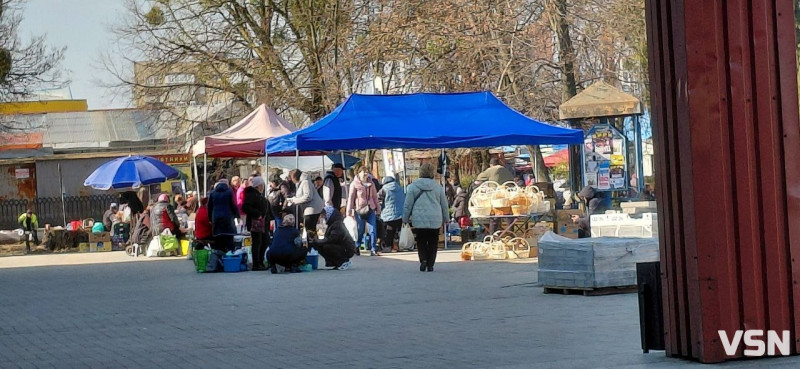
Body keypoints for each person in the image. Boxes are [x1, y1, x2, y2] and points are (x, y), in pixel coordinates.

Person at [403, 163, 449, 272]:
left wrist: (405, 218)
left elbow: (407, 205)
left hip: (419, 218)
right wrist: (446, 218)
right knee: (433, 241)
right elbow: (444, 205)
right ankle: (431, 264)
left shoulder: (412, 187)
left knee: (421, 241)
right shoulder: (438, 187)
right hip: (435, 219)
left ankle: (423, 260)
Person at [347, 166, 381, 256]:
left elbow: (375, 197)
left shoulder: (371, 183)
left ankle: (373, 249)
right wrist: (349, 210)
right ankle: (357, 246)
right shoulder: (354, 184)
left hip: (370, 208)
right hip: (359, 210)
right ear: (359, 173)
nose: (366, 174)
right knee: (360, 230)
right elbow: (351, 198)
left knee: (372, 229)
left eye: (367, 172)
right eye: (364, 172)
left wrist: (378, 208)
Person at [242, 176, 272, 271]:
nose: (263, 186)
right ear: (258, 185)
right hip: (255, 223)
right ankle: (256, 264)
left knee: (265, 241)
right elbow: (245, 207)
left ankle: (260, 261)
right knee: (257, 242)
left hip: (263, 223)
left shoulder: (260, 195)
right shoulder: (251, 195)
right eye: (261, 185)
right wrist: (257, 214)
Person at [286, 169, 325, 239]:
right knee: (311, 231)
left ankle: (312, 244)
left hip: (312, 210)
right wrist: (294, 199)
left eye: (291, 178)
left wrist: (295, 200)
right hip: (312, 209)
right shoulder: (303, 182)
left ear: (295, 177)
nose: (291, 180)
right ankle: (314, 242)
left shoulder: (305, 182)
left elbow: (308, 196)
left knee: (310, 231)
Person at [208, 179, 239, 251]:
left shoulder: (212, 193)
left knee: (218, 240)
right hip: (228, 218)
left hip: (216, 218)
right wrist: (237, 215)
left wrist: (210, 219)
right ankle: (229, 254)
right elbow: (233, 205)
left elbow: (209, 207)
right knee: (229, 239)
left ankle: (220, 254)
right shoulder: (229, 192)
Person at [378, 176, 405, 252]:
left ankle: (388, 247)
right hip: (400, 214)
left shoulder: (384, 189)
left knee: (389, 231)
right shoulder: (400, 188)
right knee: (399, 231)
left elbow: (378, 200)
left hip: (388, 215)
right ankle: (400, 246)